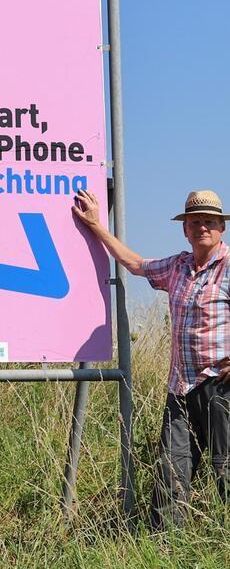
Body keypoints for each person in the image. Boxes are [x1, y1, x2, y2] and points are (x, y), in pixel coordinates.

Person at [74, 188, 230, 529]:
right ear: (185, 229)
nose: (202, 227)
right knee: (172, 465)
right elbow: (135, 264)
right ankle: (167, 543)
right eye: (194, 222)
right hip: (180, 387)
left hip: (220, 386)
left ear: (222, 228)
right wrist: (97, 226)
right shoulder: (177, 266)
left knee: (225, 465)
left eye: (209, 221)